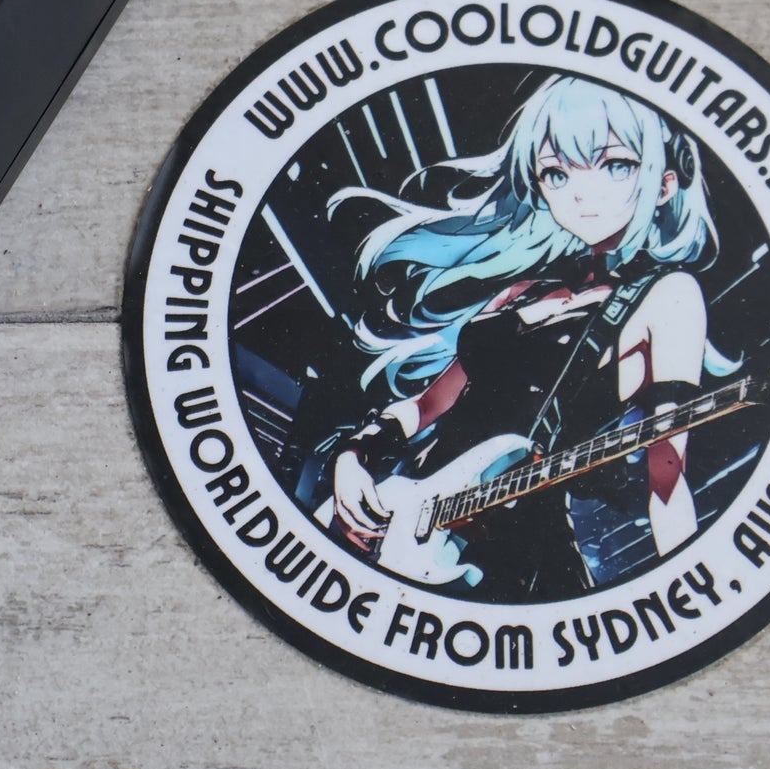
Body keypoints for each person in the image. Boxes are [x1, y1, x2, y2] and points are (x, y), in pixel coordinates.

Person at [300, 74, 737, 600]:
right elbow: (429, 405)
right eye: (556, 173)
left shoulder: (668, 295)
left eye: (616, 165)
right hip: (408, 519)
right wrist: (353, 456)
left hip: (517, 556)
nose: (582, 193)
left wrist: (686, 599)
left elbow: (667, 477)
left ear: (663, 185)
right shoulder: (523, 290)